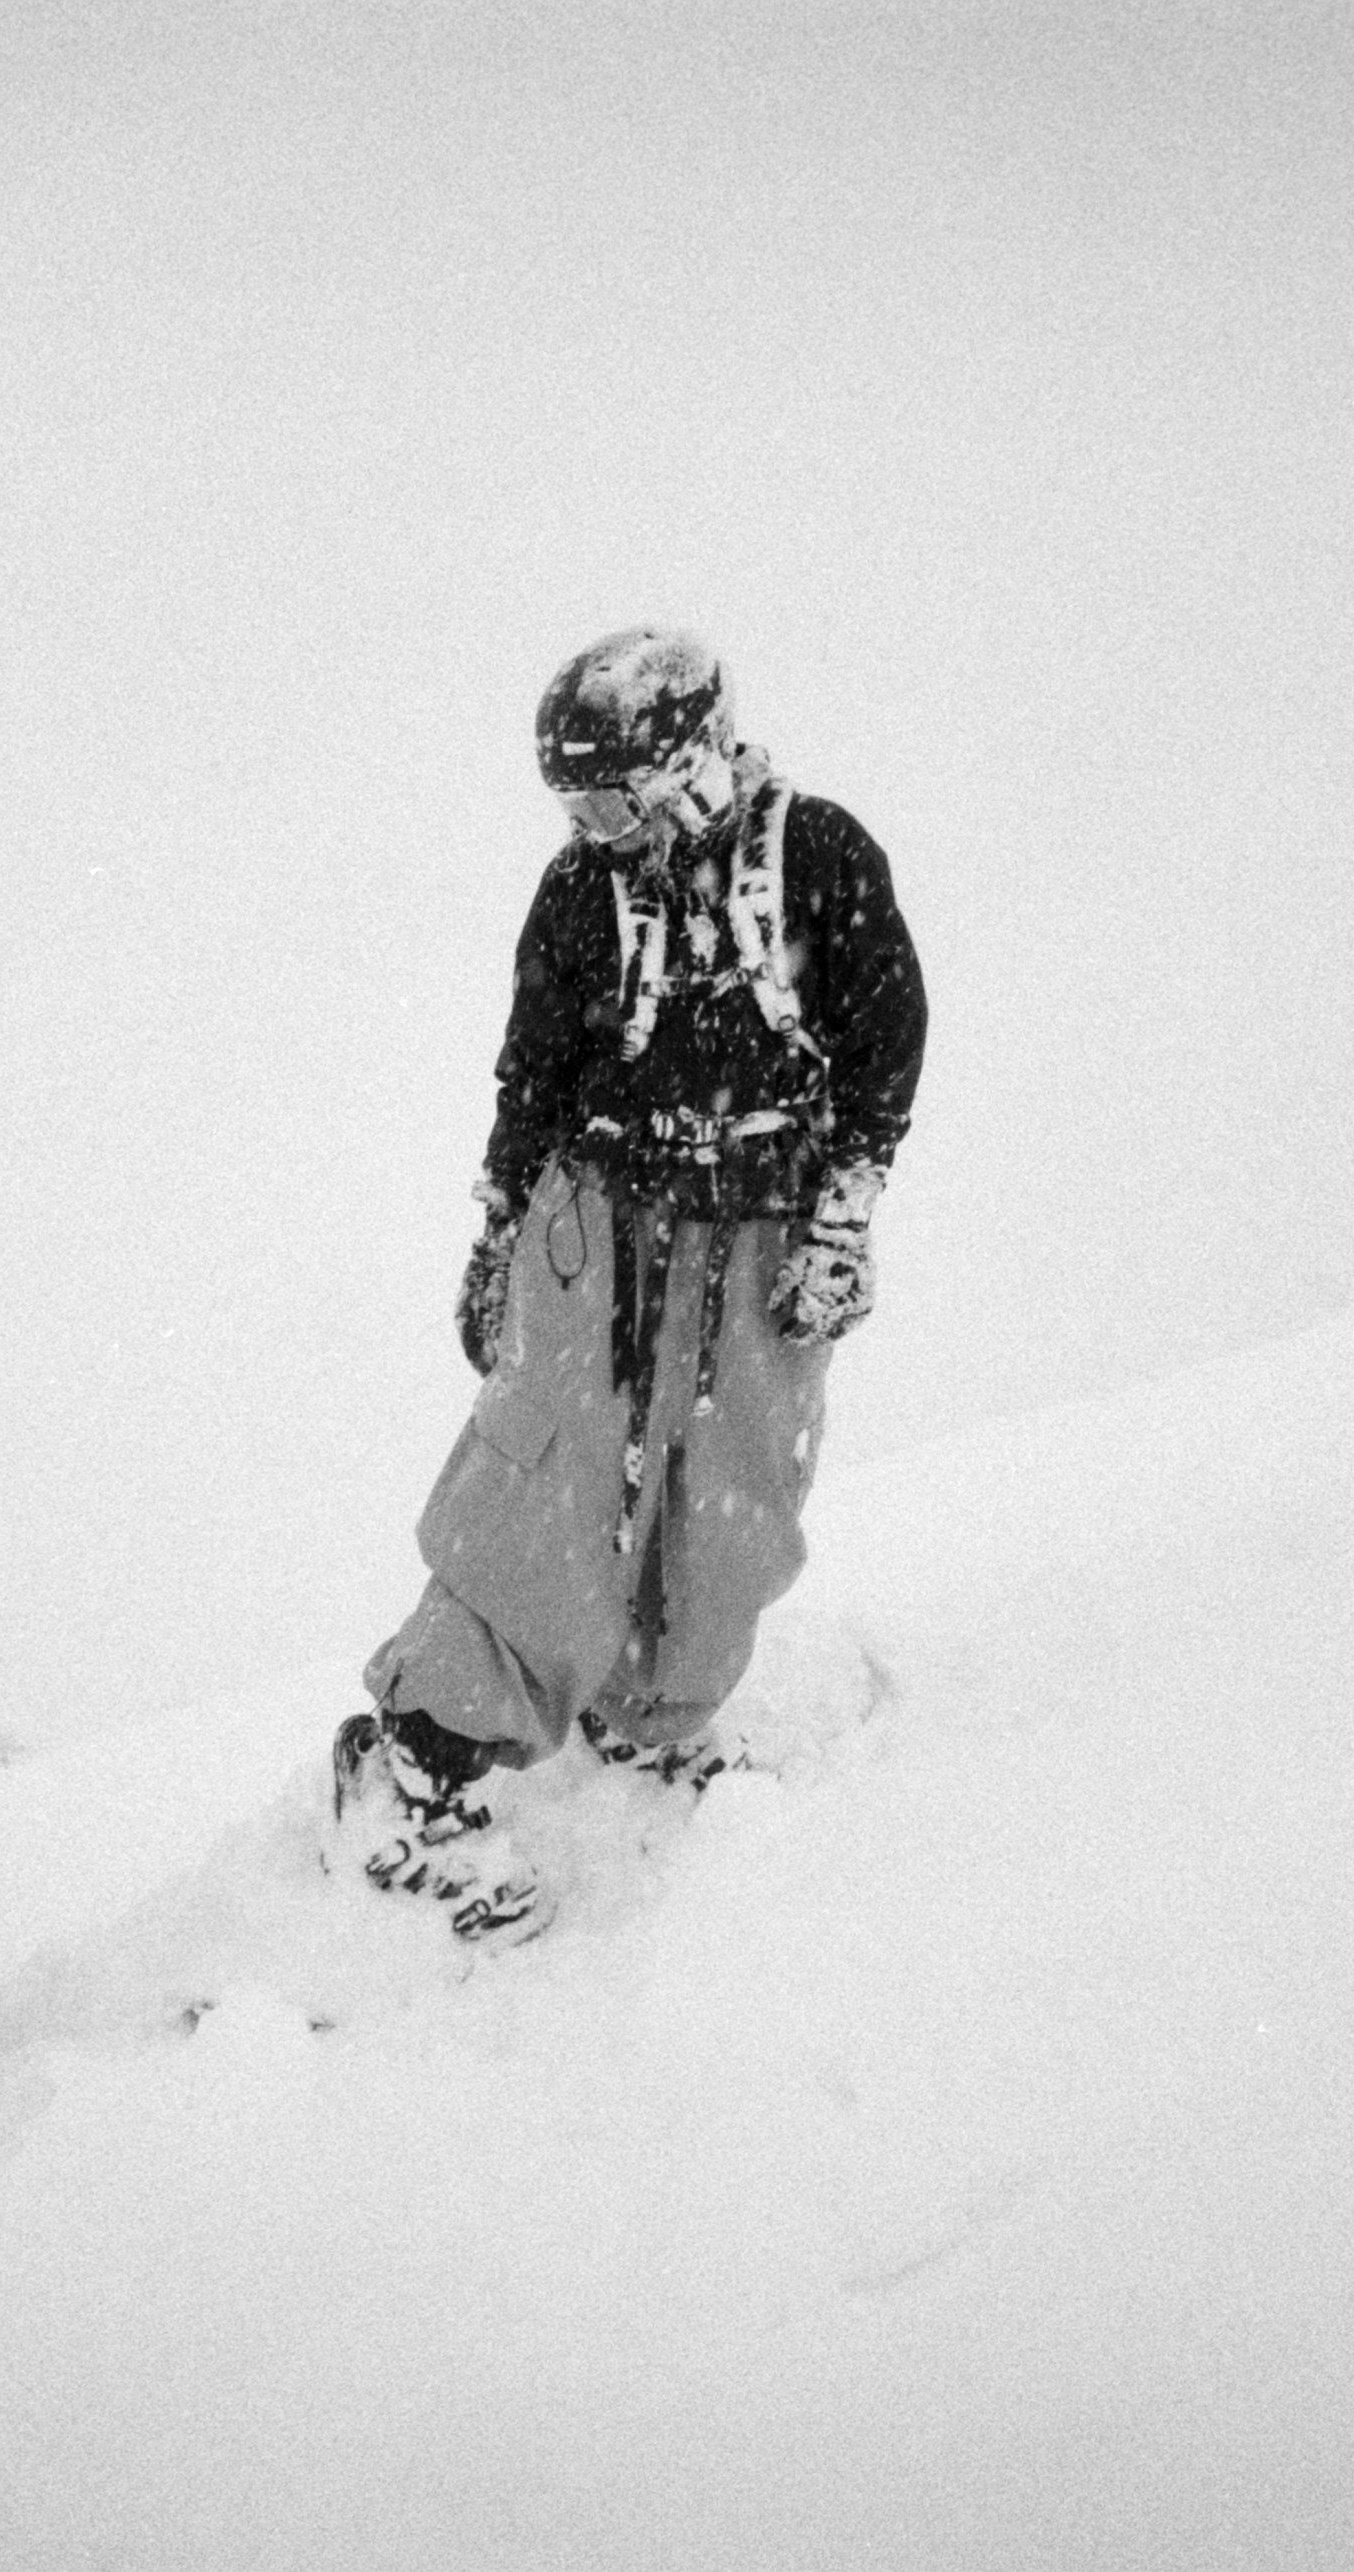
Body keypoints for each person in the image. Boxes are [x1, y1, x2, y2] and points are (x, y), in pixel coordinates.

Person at [329, 628, 928, 1938]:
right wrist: (497, 1230)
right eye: (574, 806)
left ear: (692, 762)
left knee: (735, 1496)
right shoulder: (580, 897)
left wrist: (841, 1217)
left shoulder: (816, 858)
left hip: (764, 1221)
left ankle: (655, 1721)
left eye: (612, 799)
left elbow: (884, 1043)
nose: (593, 828)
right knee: (550, 1475)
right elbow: (530, 1073)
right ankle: (419, 1763)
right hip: (602, 1216)